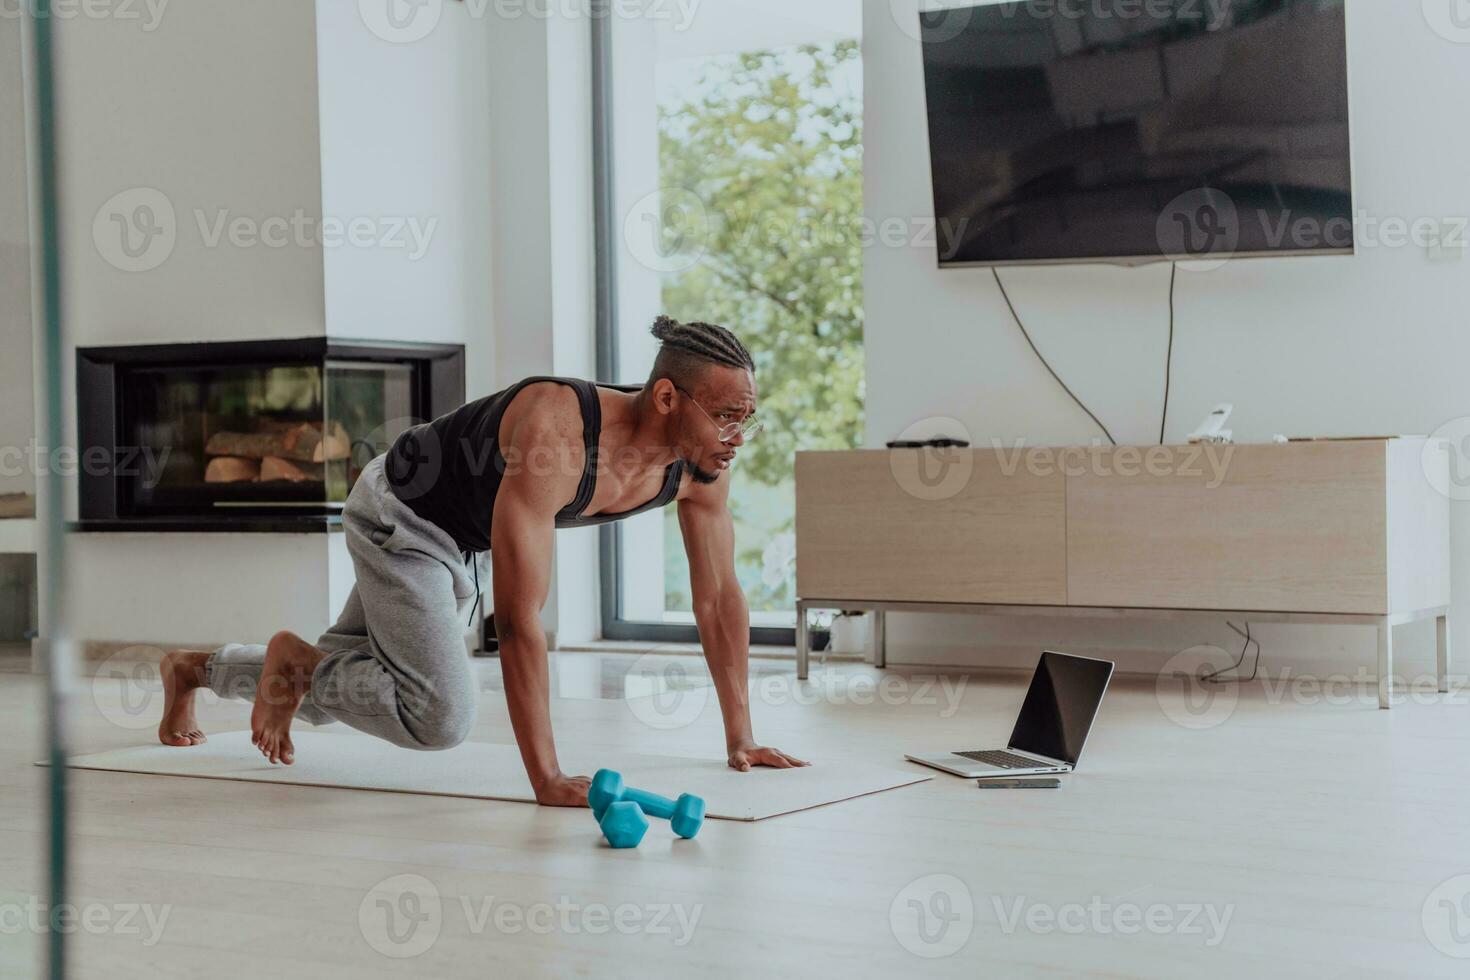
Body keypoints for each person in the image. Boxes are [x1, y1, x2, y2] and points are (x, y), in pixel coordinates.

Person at [154, 316, 808, 806]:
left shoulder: (702, 465)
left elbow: (719, 600)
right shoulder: (560, 429)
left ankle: (195, 669)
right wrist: (546, 778)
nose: (737, 437)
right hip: (403, 514)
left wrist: (740, 737)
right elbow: (521, 619)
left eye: (744, 418)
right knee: (434, 715)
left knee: (347, 690)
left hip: (467, 536)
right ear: (667, 398)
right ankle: (291, 665)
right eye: (725, 416)